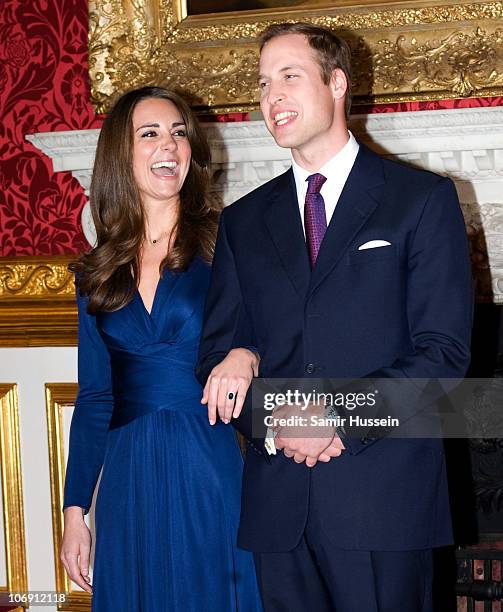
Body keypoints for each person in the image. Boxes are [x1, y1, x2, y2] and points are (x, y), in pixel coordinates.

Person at [196, 23, 474, 611]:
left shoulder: (421, 200)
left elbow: (443, 353)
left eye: (289, 77)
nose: (272, 98)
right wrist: (275, 418)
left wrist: (334, 418)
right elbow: (216, 359)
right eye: (264, 84)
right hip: (280, 514)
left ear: (338, 82)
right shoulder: (243, 222)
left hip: (385, 505)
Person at [61, 86, 263, 612]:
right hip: (127, 476)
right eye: (149, 134)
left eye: (178, 133)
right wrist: (74, 511)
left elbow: (273, 335)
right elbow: (95, 397)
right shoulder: (95, 273)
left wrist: (247, 354)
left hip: (209, 457)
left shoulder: (228, 242)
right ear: (119, 155)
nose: (167, 145)